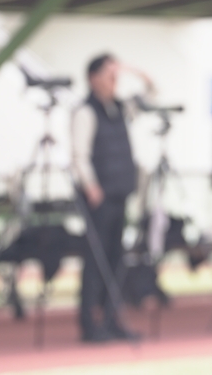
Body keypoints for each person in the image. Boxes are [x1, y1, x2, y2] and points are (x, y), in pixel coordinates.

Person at [69, 54, 149, 343]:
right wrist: (91, 187)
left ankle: (113, 318)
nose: (115, 81)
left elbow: (152, 92)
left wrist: (129, 68)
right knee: (95, 260)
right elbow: (80, 155)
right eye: (109, 75)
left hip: (120, 193)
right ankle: (90, 324)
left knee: (116, 259)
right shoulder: (85, 112)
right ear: (93, 78)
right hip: (98, 198)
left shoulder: (120, 108)